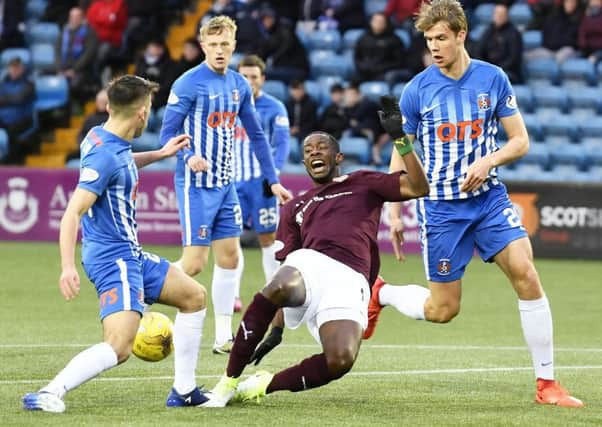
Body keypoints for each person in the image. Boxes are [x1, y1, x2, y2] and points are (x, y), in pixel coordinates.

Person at [385, 0, 583, 407]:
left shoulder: (492, 79)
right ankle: (382, 294)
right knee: (443, 310)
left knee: (526, 274)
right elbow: (401, 150)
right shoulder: (417, 90)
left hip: (489, 199)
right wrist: (393, 208)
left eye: (442, 38)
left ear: (461, 35)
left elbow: (520, 140)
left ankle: (547, 384)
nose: (435, 46)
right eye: (428, 40)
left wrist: (489, 159)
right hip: (441, 208)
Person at [202, 117, 430, 407]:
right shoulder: (295, 206)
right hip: (311, 265)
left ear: (338, 157)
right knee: (279, 285)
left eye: (321, 148)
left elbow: (420, 187)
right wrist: (276, 329)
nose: (313, 153)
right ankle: (227, 383)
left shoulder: (363, 182)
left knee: (340, 361)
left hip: (351, 279)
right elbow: (286, 272)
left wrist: (400, 137)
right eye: (308, 151)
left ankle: (262, 384)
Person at [22, 75, 212, 413]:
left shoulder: (98, 136)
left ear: (110, 106)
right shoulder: (104, 157)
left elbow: (122, 162)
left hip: (131, 254)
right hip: (113, 259)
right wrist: (67, 267)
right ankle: (49, 392)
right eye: (150, 109)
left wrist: (160, 153)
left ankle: (184, 390)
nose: (149, 116)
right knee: (120, 346)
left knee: (194, 297)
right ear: (141, 114)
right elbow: (71, 213)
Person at [159, 16, 291, 356]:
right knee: (194, 265)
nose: (219, 50)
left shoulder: (238, 85)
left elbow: (258, 136)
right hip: (196, 185)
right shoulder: (188, 83)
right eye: (213, 45)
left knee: (230, 258)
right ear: (203, 46)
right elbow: (167, 131)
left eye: (225, 45)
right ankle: (139, 292)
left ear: (233, 46)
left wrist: (273, 181)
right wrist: (188, 155)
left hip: (225, 185)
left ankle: (222, 337)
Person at [232, 54, 290, 314]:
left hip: (261, 183)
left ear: (262, 79)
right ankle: (232, 295)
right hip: (232, 182)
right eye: (244, 76)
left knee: (268, 238)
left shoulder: (274, 108)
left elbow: (282, 145)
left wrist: (273, 175)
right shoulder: (227, 107)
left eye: (254, 76)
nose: (249, 81)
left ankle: (273, 292)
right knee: (230, 239)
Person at [56, 7, 99, 105]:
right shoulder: (64, 32)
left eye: (77, 17)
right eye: (72, 17)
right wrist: (59, 69)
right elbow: (57, 51)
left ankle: (77, 106)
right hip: (63, 68)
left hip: (82, 69)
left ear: (82, 18)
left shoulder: (89, 33)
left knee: (75, 84)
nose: (74, 19)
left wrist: (74, 70)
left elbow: (88, 55)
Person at [475, 3, 523, 84]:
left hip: (508, 71)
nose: (499, 17)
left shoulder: (513, 33)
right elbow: (479, 51)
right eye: (496, 14)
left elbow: (513, 58)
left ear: (507, 16)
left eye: (501, 14)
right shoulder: (488, 31)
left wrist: (496, 70)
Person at [0, 56, 35, 165]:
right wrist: (12, 99)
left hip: (22, 120)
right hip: (3, 119)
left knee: (12, 132)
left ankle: (11, 164)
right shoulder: (3, 83)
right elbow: (15, 98)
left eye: (17, 68)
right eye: (12, 68)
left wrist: (4, 99)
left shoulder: (29, 84)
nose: (14, 70)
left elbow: (20, 98)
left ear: (22, 69)